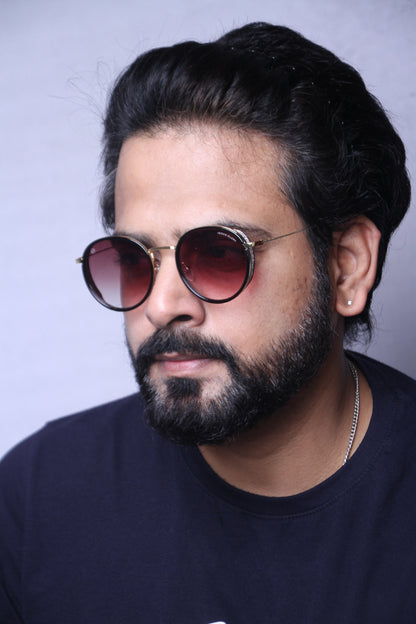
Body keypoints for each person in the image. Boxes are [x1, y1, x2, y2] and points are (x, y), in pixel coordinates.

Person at [0, 21, 414, 624]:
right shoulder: (35, 500)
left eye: (219, 253)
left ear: (347, 266)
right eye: (132, 259)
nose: (161, 305)